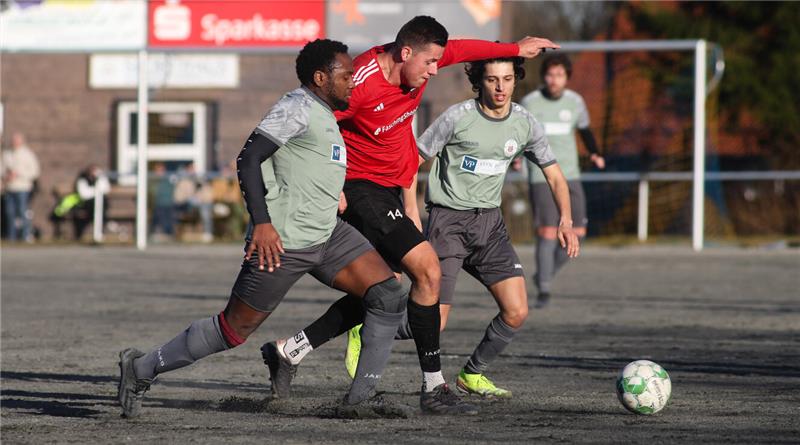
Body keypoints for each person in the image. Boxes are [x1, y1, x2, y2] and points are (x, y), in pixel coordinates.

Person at [260, 16, 559, 415]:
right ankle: (434, 388)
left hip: (391, 191)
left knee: (384, 288)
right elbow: (311, 123)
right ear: (405, 54)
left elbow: (464, 50)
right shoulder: (361, 82)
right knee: (427, 270)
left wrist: (513, 49)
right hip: (359, 188)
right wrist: (329, 186)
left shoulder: (419, 63)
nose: (436, 70)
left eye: (439, 61)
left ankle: (289, 350)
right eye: (430, 63)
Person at [117, 39, 411, 420]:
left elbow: (306, 163)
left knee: (386, 294)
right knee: (232, 331)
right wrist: (261, 223)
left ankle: (360, 398)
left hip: (328, 235)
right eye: (346, 75)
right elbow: (249, 158)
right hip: (283, 242)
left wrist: (332, 190)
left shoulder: (324, 112)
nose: (353, 81)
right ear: (321, 78)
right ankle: (140, 369)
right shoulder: (297, 107)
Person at [409, 56, 578, 397]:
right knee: (435, 322)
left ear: (516, 80)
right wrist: (412, 213)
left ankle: (472, 374)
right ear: (480, 82)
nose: (500, 87)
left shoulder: (525, 123)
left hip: (490, 226)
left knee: (517, 311)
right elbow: (410, 162)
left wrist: (566, 219)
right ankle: (370, 326)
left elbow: (555, 176)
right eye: (492, 80)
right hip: (448, 222)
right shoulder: (458, 118)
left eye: (507, 79)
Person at [519, 54, 605, 308]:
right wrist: (516, 157)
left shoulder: (575, 102)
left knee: (578, 232)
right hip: (540, 175)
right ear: (543, 77)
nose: (553, 80)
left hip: (570, 174)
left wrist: (595, 152)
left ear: (566, 77)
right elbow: (519, 133)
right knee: (547, 232)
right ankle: (544, 288)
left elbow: (585, 130)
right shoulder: (530, 103)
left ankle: (544, 273)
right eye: (549, 75)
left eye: (559, 75)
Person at [2, 132, 40, 242]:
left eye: (16, 140)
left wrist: (18, 173)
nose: (14, 142)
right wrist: (6, 176)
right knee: (9, 213)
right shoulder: (7, 154)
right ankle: (11, 237)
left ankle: (25, 236)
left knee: (22, 212)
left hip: (23, 188)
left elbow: (34, 172)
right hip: (9, 188)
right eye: (13, 140)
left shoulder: (27, 154)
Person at [174, 162, 214, 242]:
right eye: (191, 168)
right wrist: (189, 198)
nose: (193, 171)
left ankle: (207, 233)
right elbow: (178, 197)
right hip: (186, 205)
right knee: (197, 207)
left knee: (205, 209)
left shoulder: (201, 181)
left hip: (200, 205)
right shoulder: (183, 181)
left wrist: (200, 198)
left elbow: (208, 195)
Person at [72, 164, 111, 241]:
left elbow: (106, 189)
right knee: (95, 207)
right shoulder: (82, 179)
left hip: (101, 206)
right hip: (87, 205)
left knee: (101, 207)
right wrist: (97, 191)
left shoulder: (100, 178)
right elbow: (84, 194)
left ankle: (99, 233)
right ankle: (98, 233)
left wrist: (100, 178)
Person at [149, 162, 177, 238]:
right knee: (161, 212)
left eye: (162, 169)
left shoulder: (168, 179)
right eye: (159, 170)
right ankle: (164, 232)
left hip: (169, 203)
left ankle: (169, 232)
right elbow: (152, 192)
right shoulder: (152, 180)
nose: (161, 171)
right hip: (157, 203)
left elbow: (172, 190)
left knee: (169, 213)